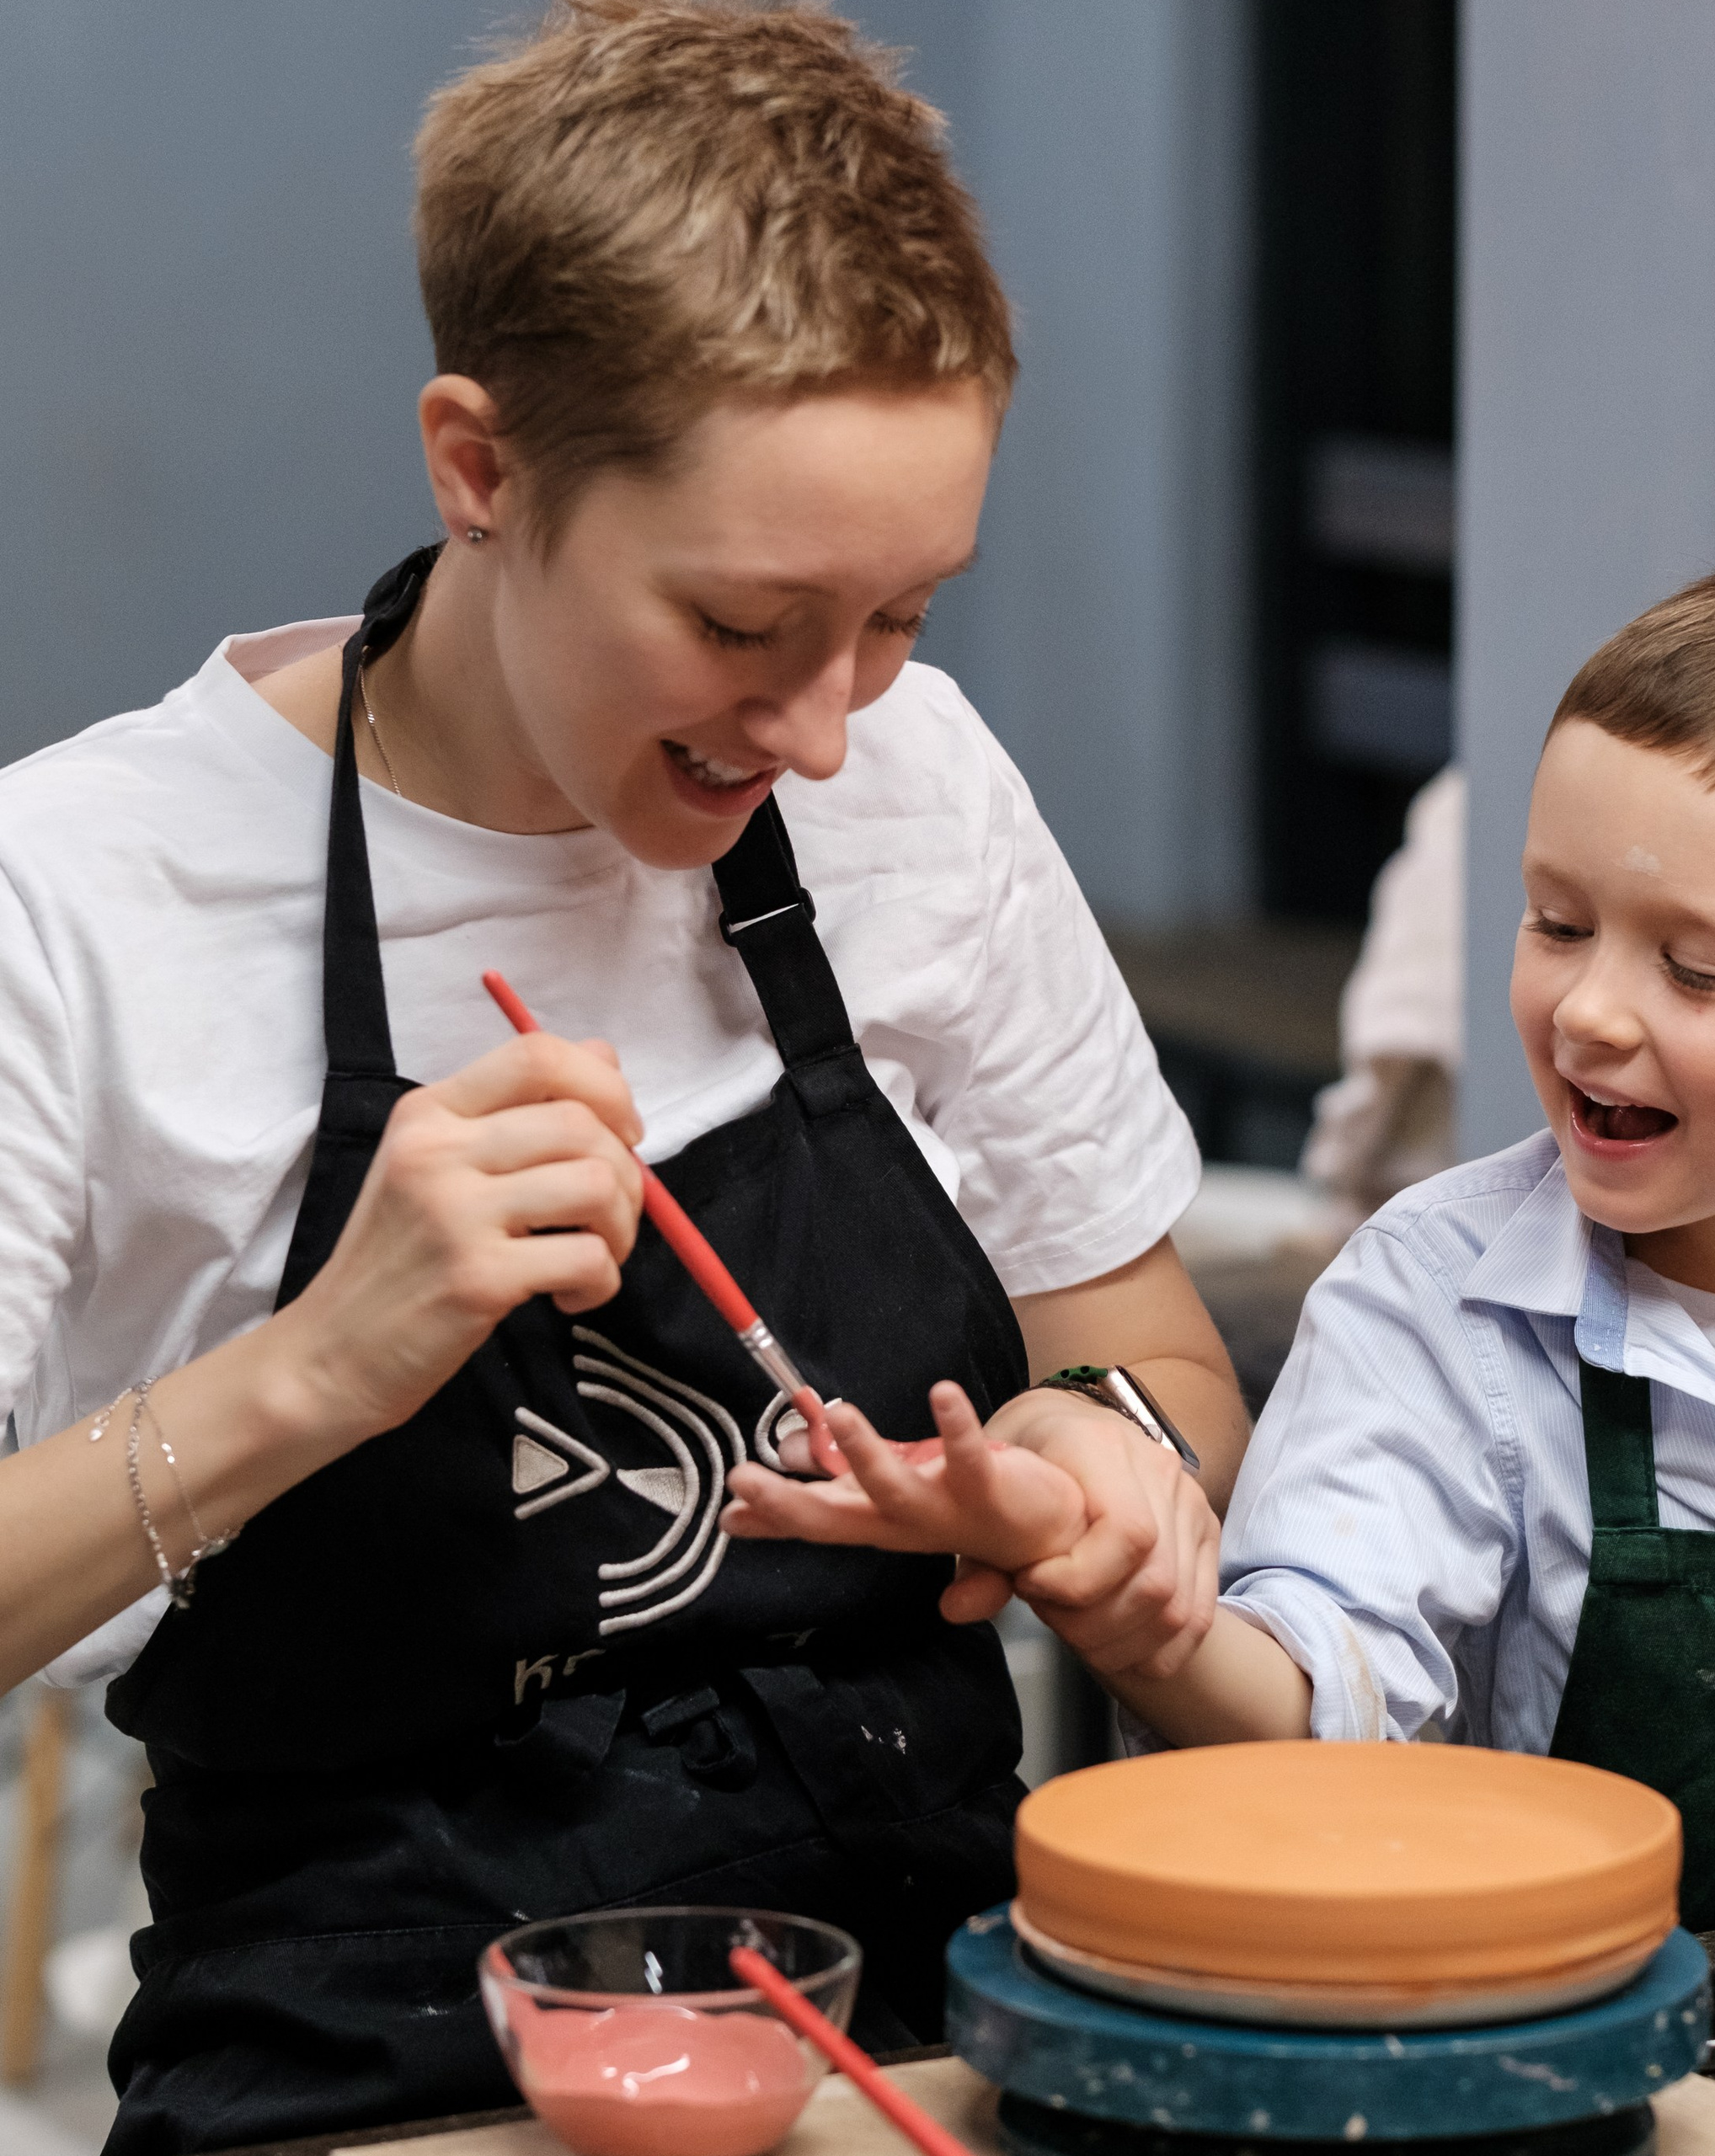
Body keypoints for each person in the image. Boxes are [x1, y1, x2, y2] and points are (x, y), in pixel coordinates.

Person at [0, 7, 1244, 2148]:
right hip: (365, 2092)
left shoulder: (917, 788)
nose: (830, 724)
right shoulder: (82, 889)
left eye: (903, 619)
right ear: (479, 466)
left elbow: (1152, 1353)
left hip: (936, 2049)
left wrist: (1098, 1469)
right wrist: (310, 1369)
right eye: (747, 623)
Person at [758, 553, 1715, 1929]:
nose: (1590, 1011)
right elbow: (1325, 1707)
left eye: (1695, 969)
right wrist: (1151, 1624)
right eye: (1557, 921)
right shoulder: (1443, 1308)